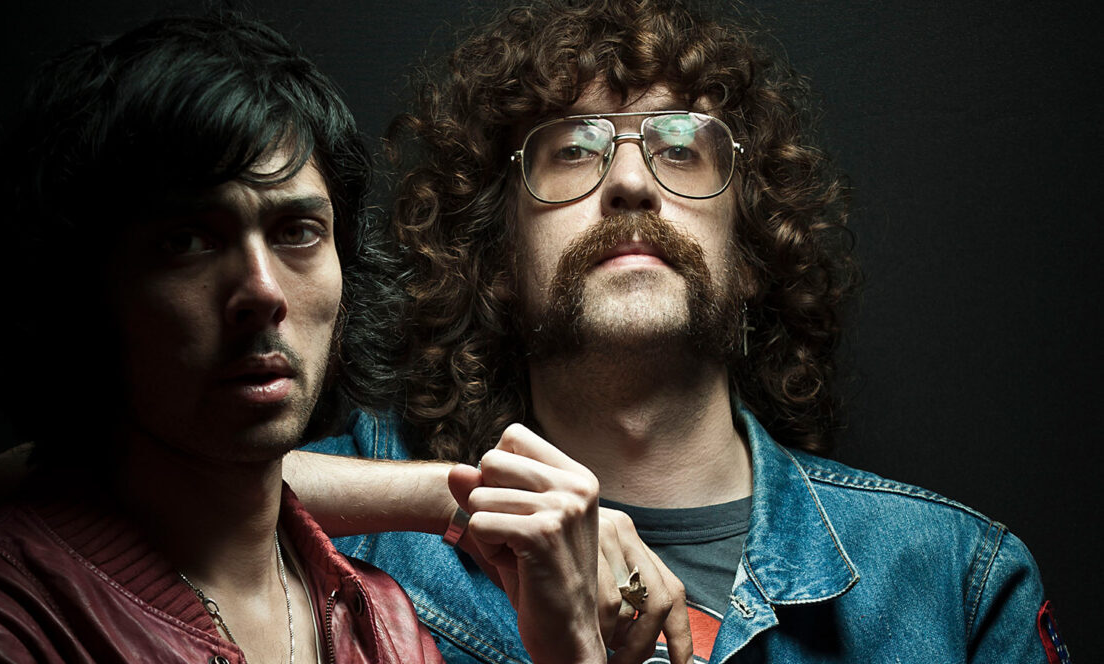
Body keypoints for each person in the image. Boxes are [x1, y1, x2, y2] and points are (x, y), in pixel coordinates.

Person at [286, 1, 1062, 663]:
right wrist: (459, 499)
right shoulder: (372, 536)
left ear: (750, 253)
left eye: (681, 147)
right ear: (499, 260)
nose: (630, 182)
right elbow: (214, 490)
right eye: (574, 150)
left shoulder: (954, 584)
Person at [0, 13, 595, 664]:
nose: (262, 291)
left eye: (296, 232)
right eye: (188, 241)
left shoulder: (382, 623)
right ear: (85, 288)